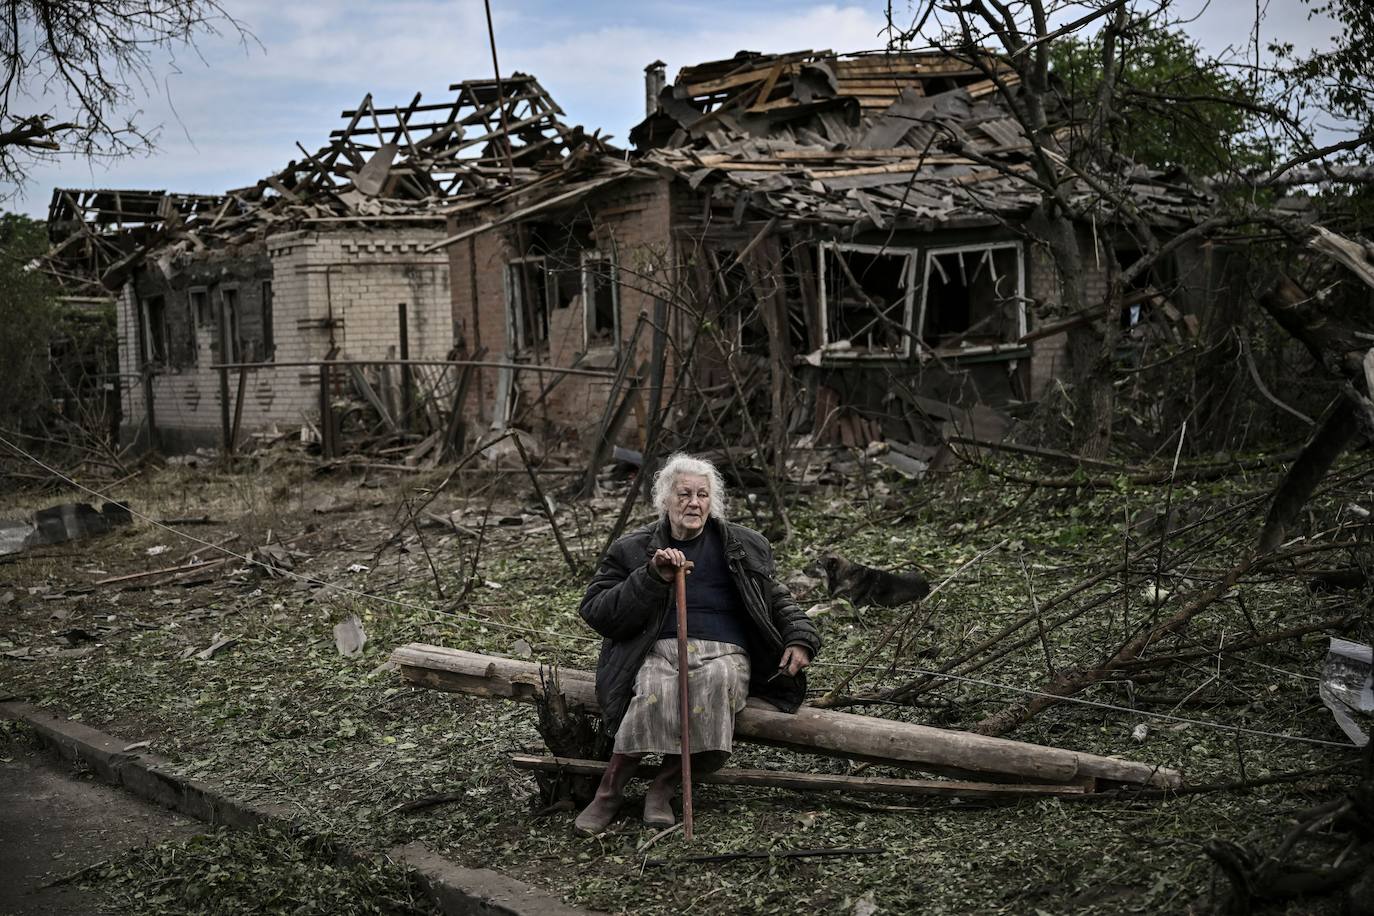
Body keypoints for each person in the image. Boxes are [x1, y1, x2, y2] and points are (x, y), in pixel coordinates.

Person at [573, 453, 821, 835]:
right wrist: (651, 576)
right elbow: (597, 611)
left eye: (702, 495)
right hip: (657, 649)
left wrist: (800, 638)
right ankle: (609, 793)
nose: (694, 502)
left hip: (725, 652)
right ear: (665, 501)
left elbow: (777, 599)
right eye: (684, 494)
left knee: (715, 683)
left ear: (712, 502)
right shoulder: (632, 548)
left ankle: (664, 786)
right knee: (655, 690)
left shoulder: (741, 544)